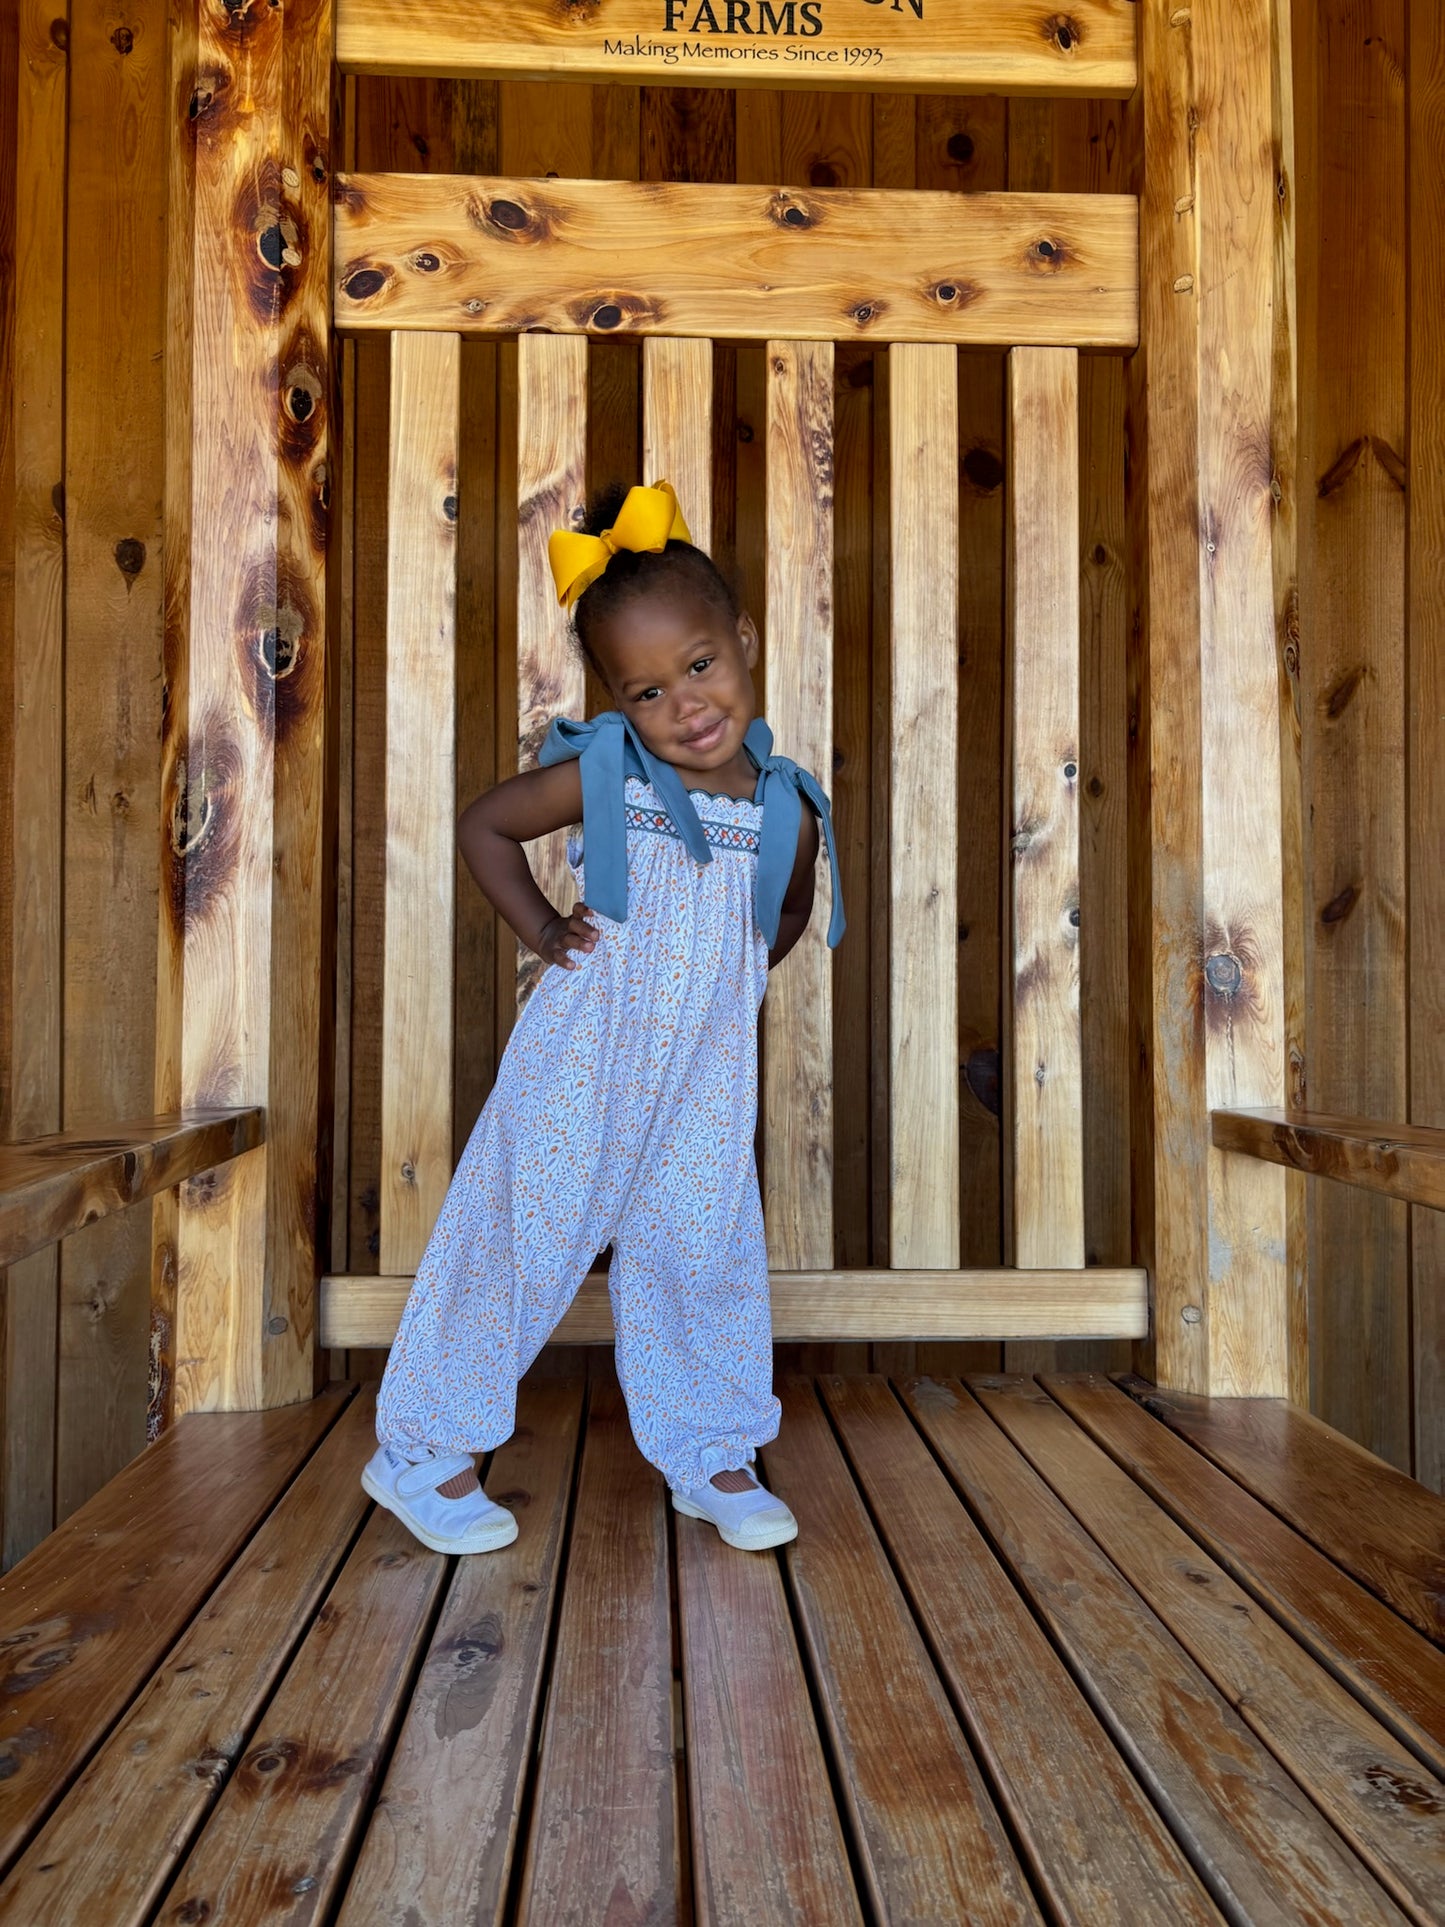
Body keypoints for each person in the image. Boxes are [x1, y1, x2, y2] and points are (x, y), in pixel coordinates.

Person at [363, 480, 844, 1555]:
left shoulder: (784, 806)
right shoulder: (607, 778)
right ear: (618, 705)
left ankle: (710, 1452)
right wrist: (542, 930)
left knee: (700, 1243)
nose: (682, 703)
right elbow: (487, 825)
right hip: (587, 1054)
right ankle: (421, 1449)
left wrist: (717, 984)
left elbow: (785, 915)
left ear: (743, 641)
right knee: (519, 1231)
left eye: (699, 666)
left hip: (703, 1072)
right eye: (644, 690)